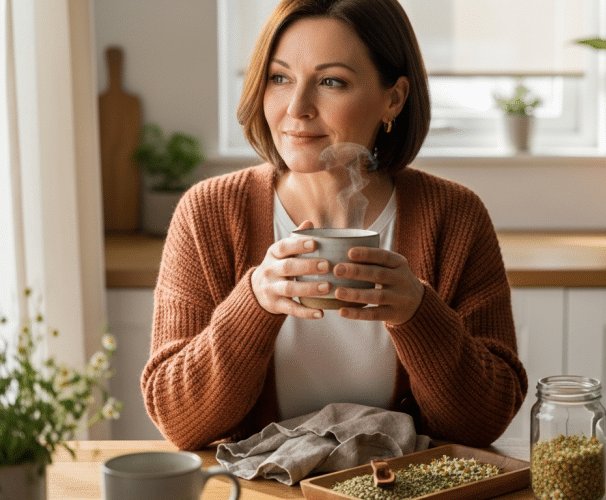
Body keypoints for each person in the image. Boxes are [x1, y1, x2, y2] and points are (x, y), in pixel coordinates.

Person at [141, 0, 527, 452]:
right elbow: (176, 421)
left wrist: (418, 313)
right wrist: (254, 303)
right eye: (279, 78)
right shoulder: (208, 213)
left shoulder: (454, 216)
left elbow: (486, 421)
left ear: (394, 98)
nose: (297, 107)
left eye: (331, 82)